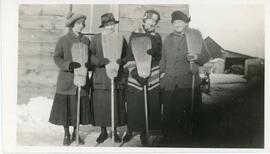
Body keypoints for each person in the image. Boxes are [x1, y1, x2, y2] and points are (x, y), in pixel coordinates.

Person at [160, 10, 210, 141]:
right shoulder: (168, 39)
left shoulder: (194, 37)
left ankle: (185, 140)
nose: (178, 25)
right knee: (168, 113)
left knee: (186, 114)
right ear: (172, 24)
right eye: (175, 22)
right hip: (169, 82)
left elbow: (206, 56)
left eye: (181, 22)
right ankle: (167, 139)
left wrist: (196, 57)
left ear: (186, 23)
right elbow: (163, 59)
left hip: (187, 82)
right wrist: (162, 73)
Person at [49, 12, 93, 146]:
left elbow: (89, 57)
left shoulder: (86, 40)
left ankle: (76, 132)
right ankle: (67, 133)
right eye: (79, 24)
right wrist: (68, 65)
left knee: (77, 108)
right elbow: (57, 57)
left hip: (82, 79)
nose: (81, 26)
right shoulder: (63, 40)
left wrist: (89, 65)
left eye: (83, 24)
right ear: (73, 25)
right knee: (66, 109)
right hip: (67, 81)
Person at [123, 10, 162, 145]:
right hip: (136, 73)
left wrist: (156, 54)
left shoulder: (157, 37)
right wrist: (134, 73)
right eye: (150, 20)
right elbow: (129, 56)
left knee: (148, 103)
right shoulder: (135, 34)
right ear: (144, 20)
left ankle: (145, 131)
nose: (152, 23)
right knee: (135, 103)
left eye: (155, 21)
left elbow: (159, 55)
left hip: (151, 73)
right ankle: (131, 129)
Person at [90, 13, 127, 143]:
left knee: (115, 104)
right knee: (101, 105)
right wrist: (100, 61)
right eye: (107, 25)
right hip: (101, 77)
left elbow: (126, 55)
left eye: (112, 25)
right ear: (103, 26)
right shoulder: (96, 39)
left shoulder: (120, 38)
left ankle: (114, 131)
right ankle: (103, 131)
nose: (110, 27)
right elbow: (90, 56)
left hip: (116, 76)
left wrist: (122, 61)